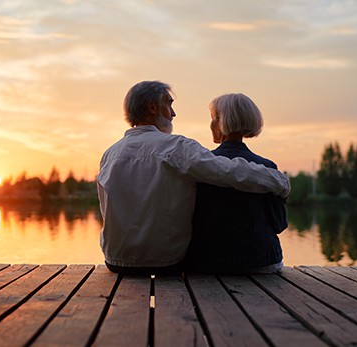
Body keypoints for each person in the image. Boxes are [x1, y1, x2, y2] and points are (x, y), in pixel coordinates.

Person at [97, 81, 290, 275]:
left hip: (115, 261)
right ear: (152, 107)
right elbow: (229, 171)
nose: (173, 113)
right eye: (169, 104)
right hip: (165, 262)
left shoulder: (110, 154)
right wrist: (278, 181)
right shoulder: (176, 147)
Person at [186, 93, 287, 274]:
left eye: (212, 118)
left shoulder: (201, 166)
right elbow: (279, 224)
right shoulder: (266, 167)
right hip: (261, 262)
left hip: (209, 262)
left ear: (219, 122)